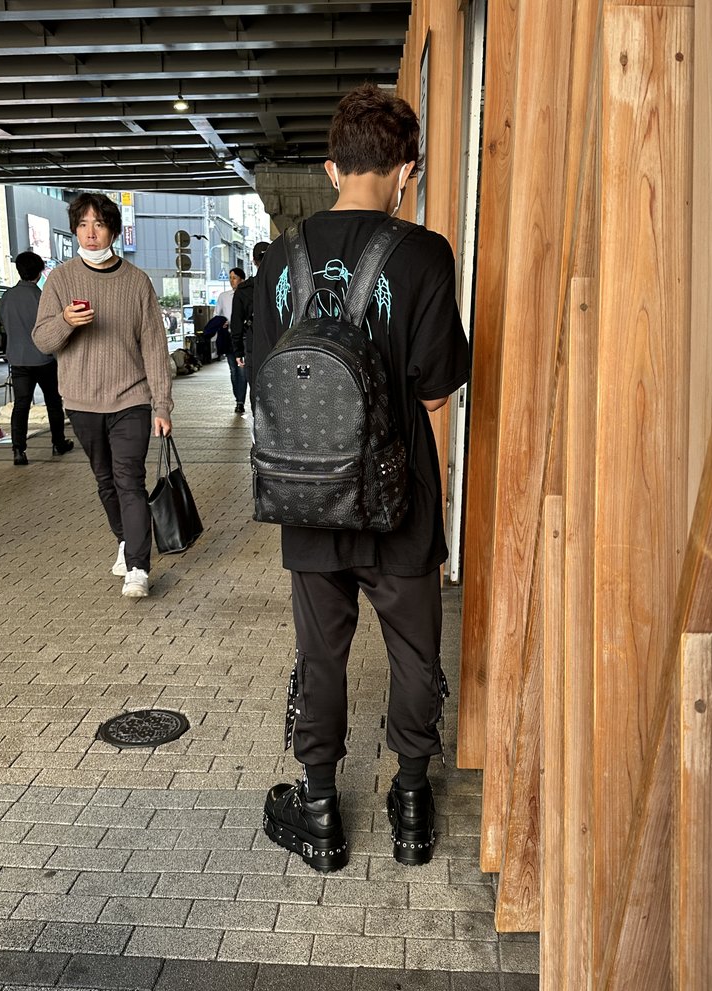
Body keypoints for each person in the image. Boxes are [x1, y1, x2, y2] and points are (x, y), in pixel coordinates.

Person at [252, 84, 469, 871]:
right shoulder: (425, 252)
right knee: (414, 652)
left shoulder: (283, 254)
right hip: (400, 492)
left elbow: (264, 378)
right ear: (406, 169)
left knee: (322, 654)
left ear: (330, 164)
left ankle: (318, 810)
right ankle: (412, 806)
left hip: (306, 494)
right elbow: (437, 388)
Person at [32, 192, 173, 600]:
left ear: (112, 228)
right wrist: (64, 322)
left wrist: (162, 405)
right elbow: (42, 341)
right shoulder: (59, 280)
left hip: (131, 400)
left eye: (98, 224)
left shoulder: (136, 282)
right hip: (80, 400)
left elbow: (154, 348)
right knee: (105, 480)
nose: (90, 234)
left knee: (130, 480)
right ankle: (126, 540)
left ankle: (138, 567)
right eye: (82, 225)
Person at [0, 251, 73, 466]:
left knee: (21, 405)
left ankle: (18, 450)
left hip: (18, 360)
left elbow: (6, 326)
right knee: (52, 401)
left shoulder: (7, 297)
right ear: (40, 271)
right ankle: (58, 443)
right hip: (44, 359)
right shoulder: (41, 298)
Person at [231, 244, 270, 395]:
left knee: (256, 388)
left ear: (254, 261)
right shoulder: (285, 285)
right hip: (279, 342)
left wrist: (238, 352)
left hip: (253, 345)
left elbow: (236, 324)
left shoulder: (243, 290)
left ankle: (258, 418)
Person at [211, 269, 247, 412]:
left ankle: (241, 402)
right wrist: (221, 322)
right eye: (230, 278)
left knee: (242, 371)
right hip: (229, 337)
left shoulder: (247, 295)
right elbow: (216, 315)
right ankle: (237, 399)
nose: (232, 280)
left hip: (243, 337)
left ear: (242, 280)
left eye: (235, 278)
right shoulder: (223, 296)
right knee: (233, 371)